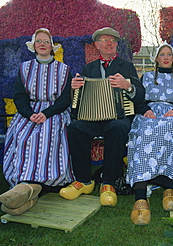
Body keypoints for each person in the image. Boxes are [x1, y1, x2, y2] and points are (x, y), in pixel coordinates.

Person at [59, 27, 145, 207]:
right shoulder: (88, 68)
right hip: (93, 118)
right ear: (97, 45)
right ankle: (84, 181)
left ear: (116, 46)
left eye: (112, 41)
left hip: (118, 117)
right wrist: (74, 88)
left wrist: (127, 85)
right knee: (75, 128)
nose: (109, 43)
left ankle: (109, 182)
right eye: (105, 40)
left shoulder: (126, 66)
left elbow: (139, 96)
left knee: (118, 127)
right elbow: (77, 101)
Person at [0, 28, 75, 215]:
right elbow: (19, 96)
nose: (42, 44)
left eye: (46, 41)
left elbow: (65, 100)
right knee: (24, 136)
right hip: (30, 112)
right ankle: (23, 182)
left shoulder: (63, 70)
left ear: (52, 47)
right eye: (39, 41)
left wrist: (47, 113)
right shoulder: (25, 68)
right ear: (33, 46)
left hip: (54, 112)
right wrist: (29, 114)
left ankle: (44, 183)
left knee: (49, 134)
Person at [126, 41, 173, 225]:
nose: (166, 58)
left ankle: (170, 187)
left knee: (172, 130)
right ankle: (140, 193)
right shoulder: (146, 77)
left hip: (171, 113)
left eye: (169, 54)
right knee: (145, 132)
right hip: (150, 113)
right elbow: (137, 99)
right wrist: (144, 109)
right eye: (162, 54)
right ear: (156, 59)